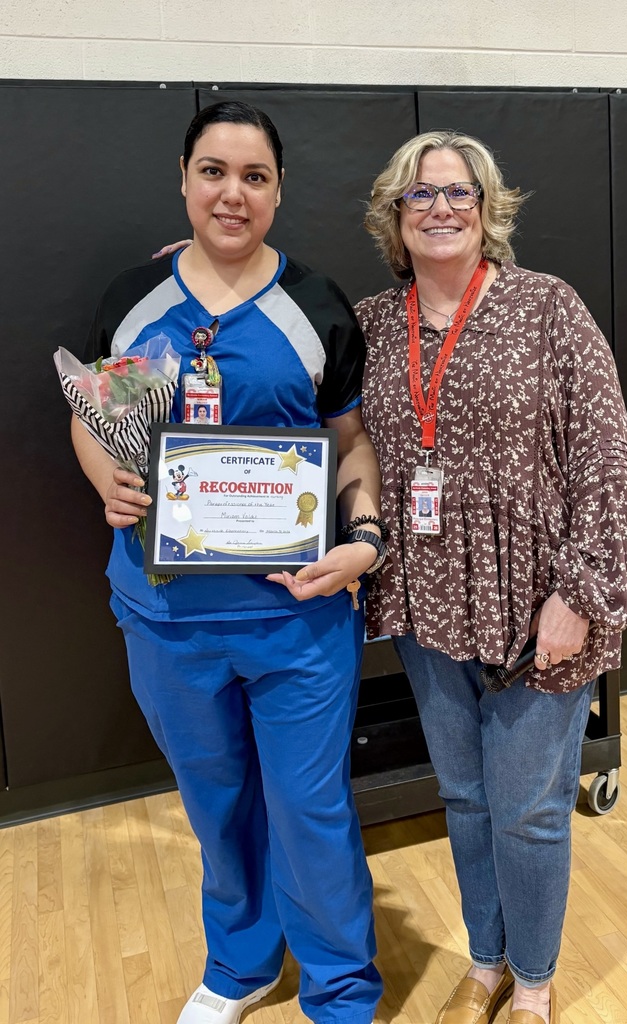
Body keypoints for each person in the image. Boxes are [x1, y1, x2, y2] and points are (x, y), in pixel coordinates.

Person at [71, 101, 385, 1024]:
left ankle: (339, 989)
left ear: (279, 190)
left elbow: (353, 442)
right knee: (215, 803)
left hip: (297, 618)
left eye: (254, 176)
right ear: (183, 177)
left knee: (309, 811)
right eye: (214, 171)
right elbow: (94, 421)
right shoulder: (135, 298)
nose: (232, 193)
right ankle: (242, 965)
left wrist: (363, 538)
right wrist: (108, 484)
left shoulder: (316, 307)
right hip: (168, 617)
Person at [353, 131, 627, 1024]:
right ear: (393, 217)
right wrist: (207, 285)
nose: (440, 208)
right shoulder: (372, 323)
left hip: (541, 606)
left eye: (459, 193)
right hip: (427, 600)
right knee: (464, 796)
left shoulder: (547, 307)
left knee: (527, 810)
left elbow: (608, 453)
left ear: (488, 211)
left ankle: (533, 985)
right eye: (420, 195)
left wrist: (582, 593)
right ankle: (484, 962)